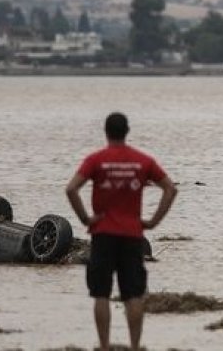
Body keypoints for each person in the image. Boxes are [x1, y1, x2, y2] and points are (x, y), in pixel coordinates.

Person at [66, 112, 177, 351]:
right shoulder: (143, 161)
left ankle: (104, 346)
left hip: (102, 234)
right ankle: (135, 346)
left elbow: (71, 189)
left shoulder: (96, 160)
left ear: (106, 132)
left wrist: (86, 218)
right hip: (132, 235)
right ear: (127, 132)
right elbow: (170, 188)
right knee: (133, 295)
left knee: (101, 294)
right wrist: (153, 221)